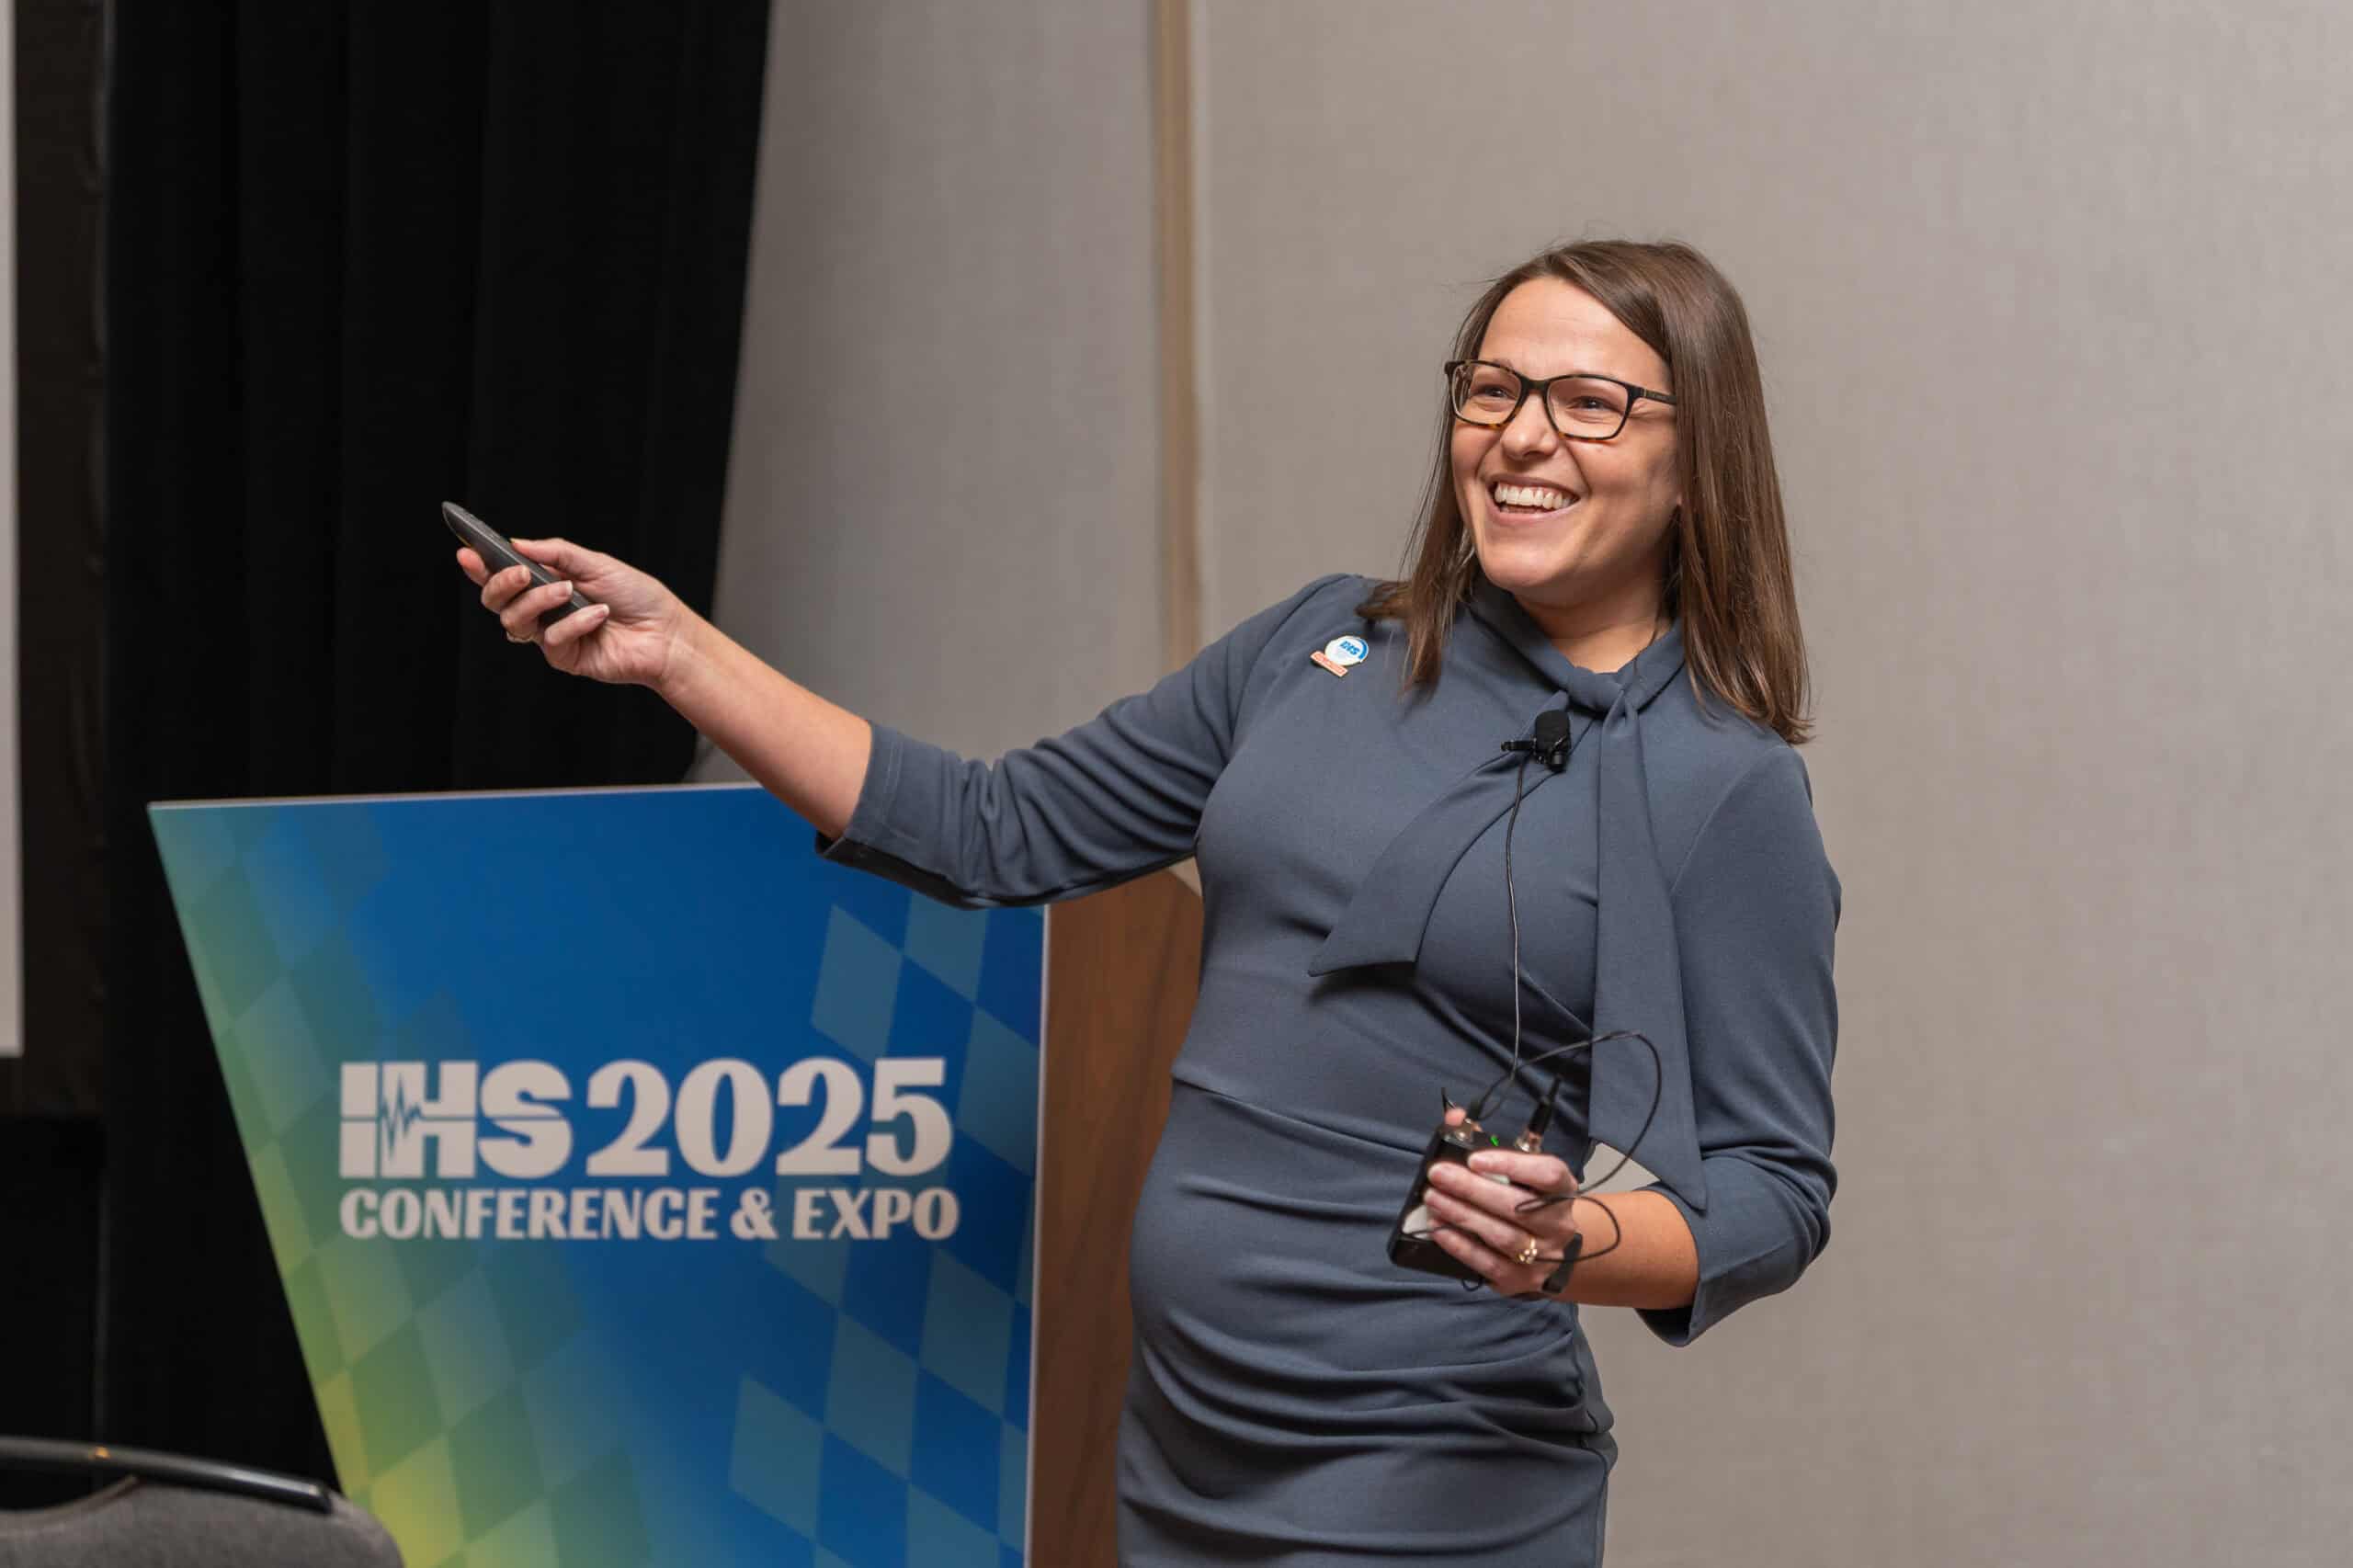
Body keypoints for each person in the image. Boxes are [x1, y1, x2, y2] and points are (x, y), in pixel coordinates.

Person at [456, 238, 1839, 1566]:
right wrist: (679, 655)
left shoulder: (1723, 783)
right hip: (1186, 1440)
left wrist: (1566, 1242)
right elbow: (991, 828)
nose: (1522, 437)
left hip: (1434, 1461)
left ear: (1694, 463)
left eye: (1590, 403)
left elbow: (1773, 1192)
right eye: (1492, 389)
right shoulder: (1324, 641)